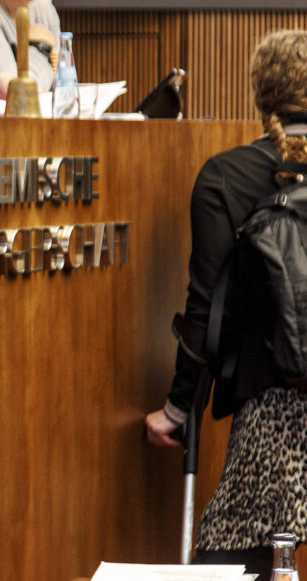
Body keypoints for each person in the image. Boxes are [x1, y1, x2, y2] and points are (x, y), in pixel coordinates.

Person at [144, 30, 307, 579]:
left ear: (261, 94)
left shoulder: (227, 176)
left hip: (277, 410)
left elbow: (207, 314)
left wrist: (178, 410)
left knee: (231, 559)